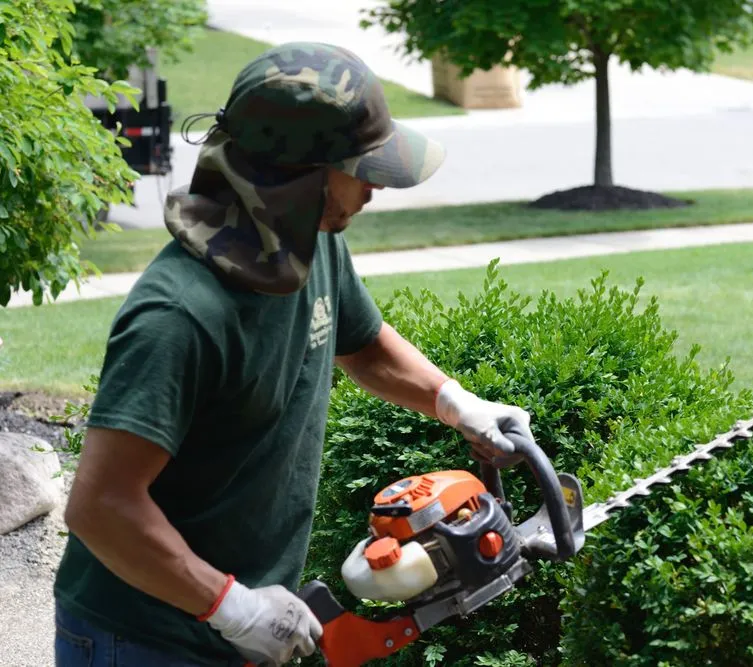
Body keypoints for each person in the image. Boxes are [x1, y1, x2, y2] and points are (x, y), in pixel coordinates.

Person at [52, 41, 534, 667]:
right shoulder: (179, 316)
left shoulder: (304, 246)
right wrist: (232, 607)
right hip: (144, 637)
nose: (373, 189)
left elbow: (363, 345)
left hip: (234, 624)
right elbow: (101, 506)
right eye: (359, 168)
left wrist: (457, 403)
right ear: (296, 175)